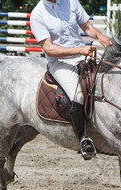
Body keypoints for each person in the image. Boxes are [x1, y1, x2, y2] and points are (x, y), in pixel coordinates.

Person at [30, 0, 112, 160]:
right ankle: (83, 139)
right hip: (60, 62)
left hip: (83, 53)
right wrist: (79, 49)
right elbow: (49, 49)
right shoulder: (37, 14)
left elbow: (87, 27)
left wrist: (100, 35)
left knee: (111, 75)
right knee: (78, 96)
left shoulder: (71, 2)